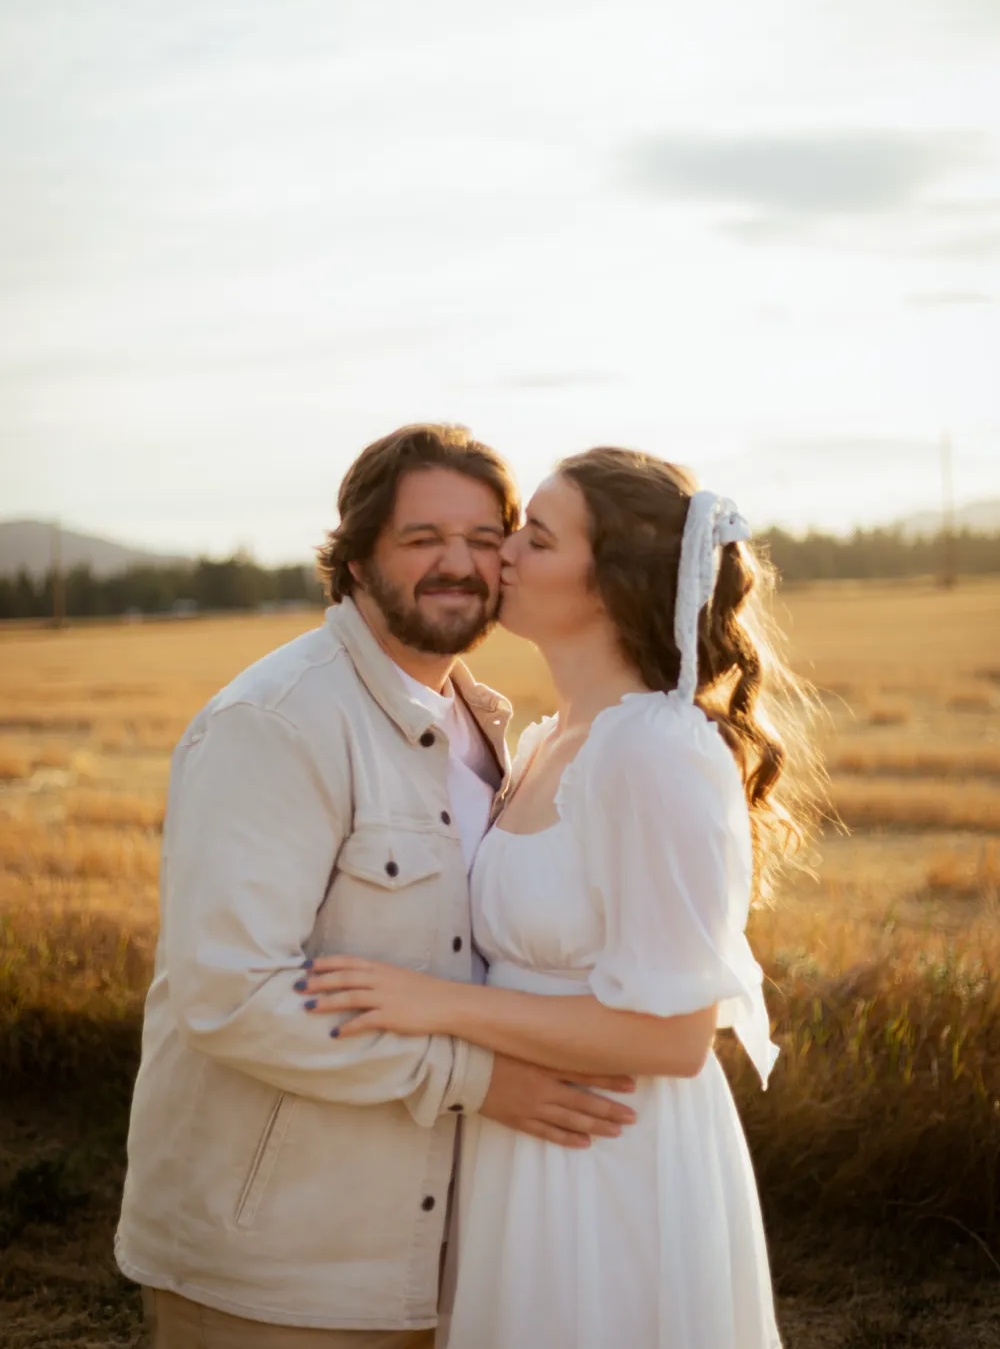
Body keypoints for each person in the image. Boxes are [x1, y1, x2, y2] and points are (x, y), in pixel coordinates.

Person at [115, 425, 638, 1349]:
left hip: (434, 1257)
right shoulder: (277, 724)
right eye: (423, 538)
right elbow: (229, 996)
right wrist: (477, 1079)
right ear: (356, 557)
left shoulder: (480, 727)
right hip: (278, 1266)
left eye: (485, 538)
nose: (460, 564)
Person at [299, 446, 817, 1349]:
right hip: (524, 1137)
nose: (500, 557)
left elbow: (674, 1034)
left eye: (534, 539)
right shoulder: (546, 741)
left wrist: (434, 1005)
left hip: (611, 1155)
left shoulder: (655, 752)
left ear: (610, 580)